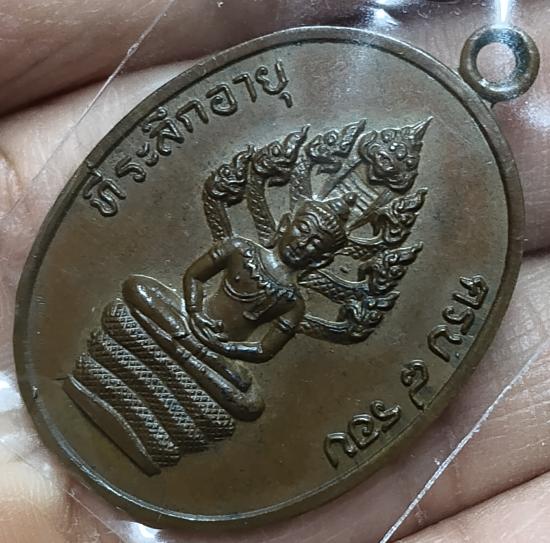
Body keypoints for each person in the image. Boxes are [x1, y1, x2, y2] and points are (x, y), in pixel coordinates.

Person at [1, 2, 549, 542]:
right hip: (177, 322)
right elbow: (193, 277)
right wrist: (192, 311)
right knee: (141, 292)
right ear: (287, 220)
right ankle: (103, 391)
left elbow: (265, 350)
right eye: (303, 228)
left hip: (215, 362)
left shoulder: (292, 299)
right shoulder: (240, 246)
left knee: (245, 399)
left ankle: (147, 431)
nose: (305, 241)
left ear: (325, 257)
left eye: (317, 243)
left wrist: (229, 348)